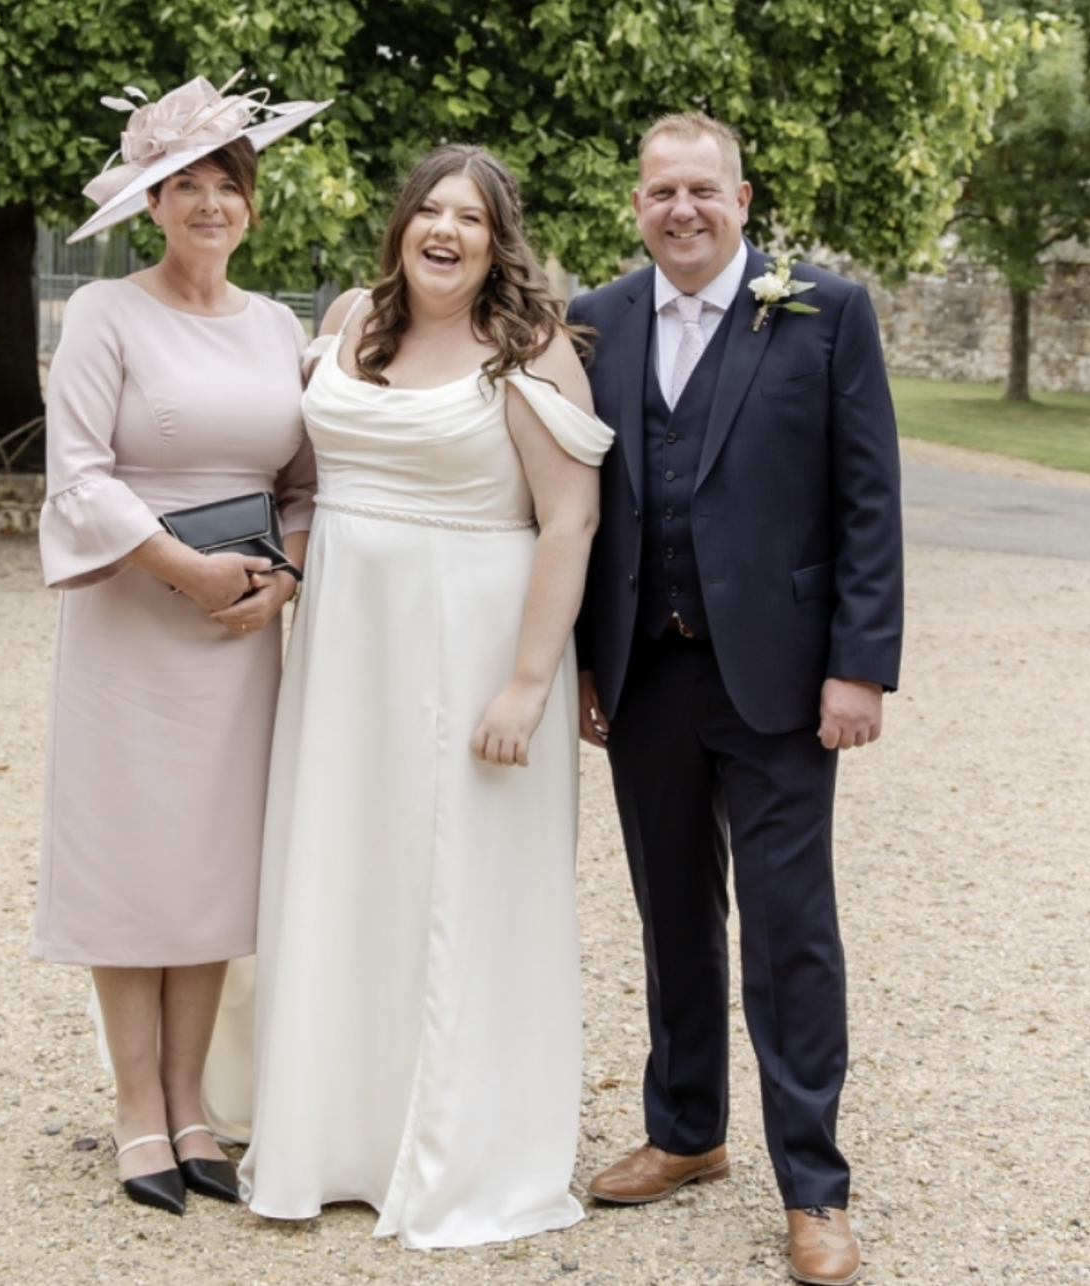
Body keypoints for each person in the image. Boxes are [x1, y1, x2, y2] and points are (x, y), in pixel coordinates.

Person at [232, 145, 613, 1247]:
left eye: (472, 218)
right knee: (346, 867)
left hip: (475, 645)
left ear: (499, 242)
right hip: (346, 646)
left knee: (462, 887)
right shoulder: (352, 318)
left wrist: (529, 683)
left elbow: (570, 520)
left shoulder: (527, 344)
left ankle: (458, 1143)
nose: (445, 230)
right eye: (429, 210)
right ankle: (336, 1132)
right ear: (401, 223)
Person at [568, 112, 903, 1286]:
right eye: (660, 191)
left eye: (702, 190)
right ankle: (685, 1129)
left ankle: (814, 1183)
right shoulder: (594, 318)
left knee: (789, 930)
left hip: (779, 675)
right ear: (638, 206)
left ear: (743, 199)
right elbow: (577, 505)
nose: (682, 210)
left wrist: (858, 662)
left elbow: (868, 498)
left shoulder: (824, 311)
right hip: (643, 670)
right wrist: (581, 661)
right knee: (670, 910)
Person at [30, 72, 328, 1215]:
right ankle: (135, 1105)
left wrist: (283, 577)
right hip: (132, 623)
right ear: (149, 205)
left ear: (251, 202)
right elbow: (79, 476)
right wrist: (183, 567)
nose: (209, 203)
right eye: (184, 185)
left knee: (211, 859)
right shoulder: (105, 313)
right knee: (131, 855)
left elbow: (304, 482)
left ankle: (195, 1103)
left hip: (239, 633)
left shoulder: (274, 325)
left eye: (227, 184)